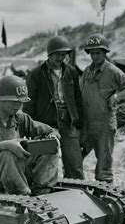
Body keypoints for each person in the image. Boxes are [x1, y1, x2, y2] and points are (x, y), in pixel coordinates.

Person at [0, 75, 60, 195]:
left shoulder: (20, 118)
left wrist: (53, 135)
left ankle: (42, 190)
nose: (18, 106)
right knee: (8, 154)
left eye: (21, 102)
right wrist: (4, 145)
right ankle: (22, 194)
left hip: (16, 169)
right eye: (14, 101)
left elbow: (48, 130)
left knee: (49, 147)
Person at [23, 35, 84, 179]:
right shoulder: (36, 74)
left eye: (63, 55)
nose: (60, 58)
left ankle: (76, 195)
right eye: (57, 54)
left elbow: (77, 99)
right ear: (49, 54)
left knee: (75, 164)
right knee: (46, 165)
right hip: (45, 124)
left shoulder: (71, 72)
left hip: (68, 122)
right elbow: (29, 103)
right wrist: (31, 126)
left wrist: (79, 120)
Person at [80, 33, 125, 183]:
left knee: (104, 165)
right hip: (87, 123)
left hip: (104, 124)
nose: (95, 56)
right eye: (92, 53)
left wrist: (117, 97)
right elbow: (80, 92)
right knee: (76, 157)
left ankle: (105, 192)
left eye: (98, 53)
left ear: (105, 53)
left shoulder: (113, 71)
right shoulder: (87, 71)